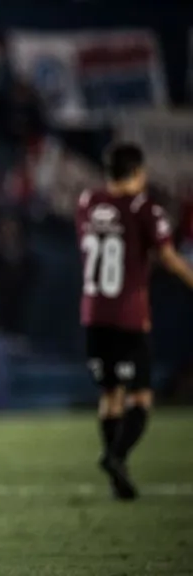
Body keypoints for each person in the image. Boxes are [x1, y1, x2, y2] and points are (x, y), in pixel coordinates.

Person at [75, 143, 193, 500]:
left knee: (110, 396)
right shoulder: (145, 208)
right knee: (140, 398)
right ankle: (116, 456)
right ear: (138, 172)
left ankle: (117, 478)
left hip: (94, 312)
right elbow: (167, 257)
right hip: (129, 314)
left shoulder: (87, 203)